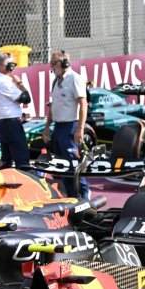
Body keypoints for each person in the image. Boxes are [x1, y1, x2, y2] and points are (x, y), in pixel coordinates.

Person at [42, 50, 90, 199]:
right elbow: (53, 106)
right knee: (62, 165)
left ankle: (84, 195)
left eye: (54, 63)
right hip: (58, 127)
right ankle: (71, 196)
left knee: (73, 163)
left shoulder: (75, 79)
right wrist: (47, 127)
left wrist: (80, 129)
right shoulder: (56, 81)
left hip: (71, 126)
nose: (51, 66)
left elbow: (83, 104)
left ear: (63, 64)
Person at [0, 53, 31, 169]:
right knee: (22, 159)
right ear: (1, 66)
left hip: (0, 122)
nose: (12, 67)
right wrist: (20, 84)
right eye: (10, 64)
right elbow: (26, 98)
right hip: (10, 122)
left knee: (6, 158)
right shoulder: (4, 81)